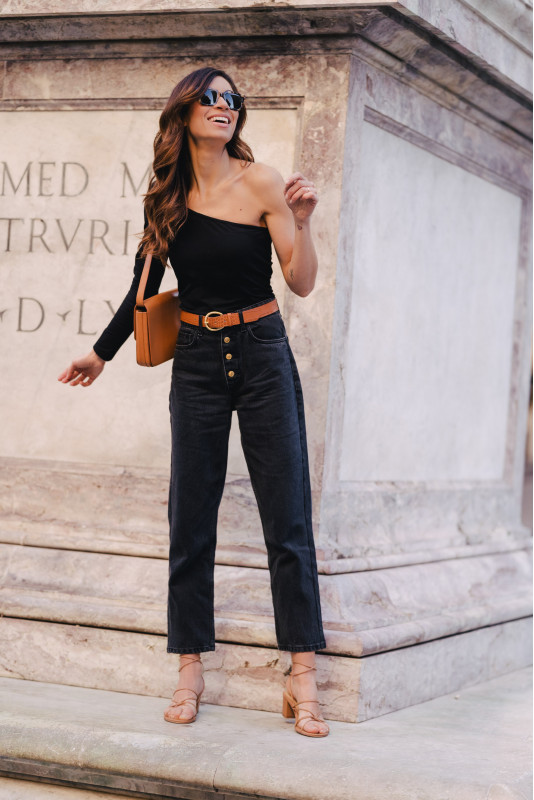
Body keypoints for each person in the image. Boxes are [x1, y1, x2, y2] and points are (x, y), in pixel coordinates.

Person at [58, 66, 330, 738]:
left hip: (263, 352)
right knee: (190, 518)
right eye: (209, 97)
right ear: (183, 113)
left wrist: (301, 224)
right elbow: (143, 290)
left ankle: (302, 675)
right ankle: (189, 671)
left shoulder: (262, 182)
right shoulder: (167, 199)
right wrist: (101, 353)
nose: (222, 105)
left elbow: (300, 282)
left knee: (287, 517)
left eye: (232, 98)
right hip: (198, 361)